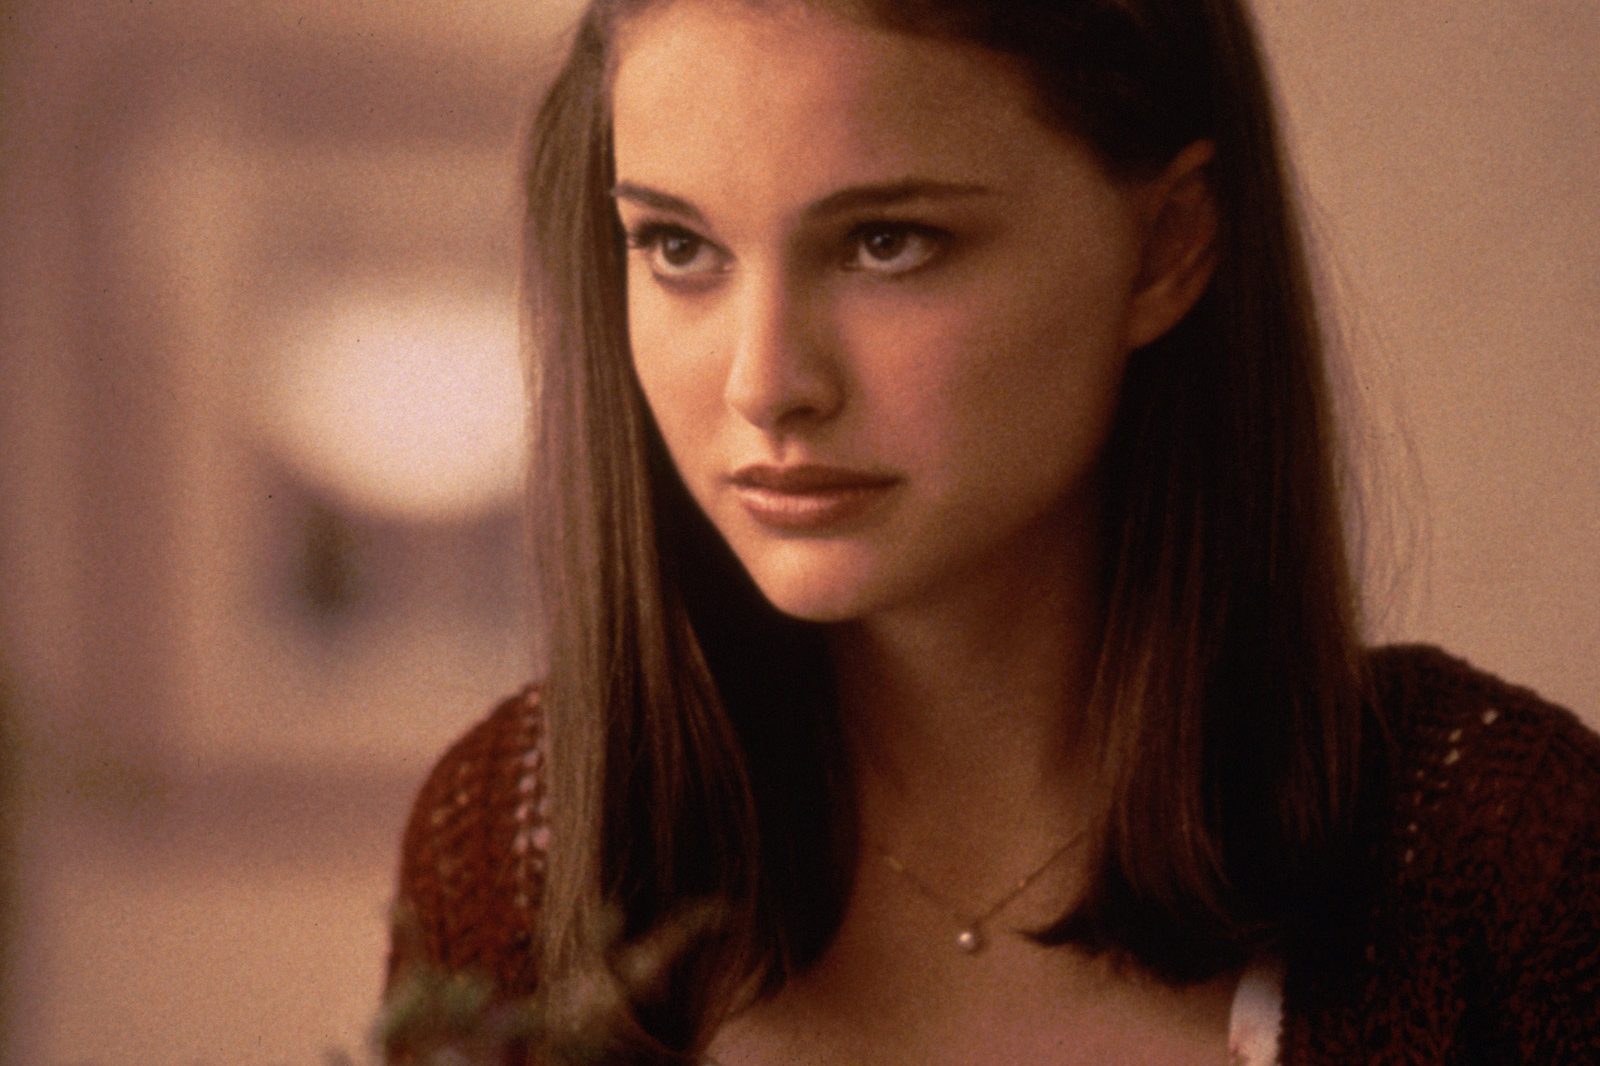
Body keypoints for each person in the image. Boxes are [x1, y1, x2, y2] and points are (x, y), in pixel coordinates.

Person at [383, 1, 1600, 1063]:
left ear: (1168, 247)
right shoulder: (516, 845)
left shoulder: (1502, 871)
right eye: (677, 246)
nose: (765, 383)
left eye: (884, 242)